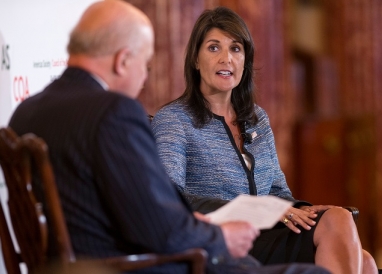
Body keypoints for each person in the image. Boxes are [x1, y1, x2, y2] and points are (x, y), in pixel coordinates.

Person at [7, 1, 330, 273]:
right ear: (123, 60)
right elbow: (158, 227)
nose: (145, 78)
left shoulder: (25, 113)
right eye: (145, 66)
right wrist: (221, 237)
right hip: (139, 265)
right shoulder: (114, 112)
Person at [151, 6, 378, 274]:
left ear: (245, 61)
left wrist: (298, 210)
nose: (226, 58)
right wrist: (254, 208)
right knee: (354, 251)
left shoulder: (256, 118)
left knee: (359, 252)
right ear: (196, 60)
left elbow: (278, 193)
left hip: (267, 233)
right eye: (214, 48)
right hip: (223, 241)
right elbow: (170, 198)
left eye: (235, 49)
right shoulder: (174, 119)